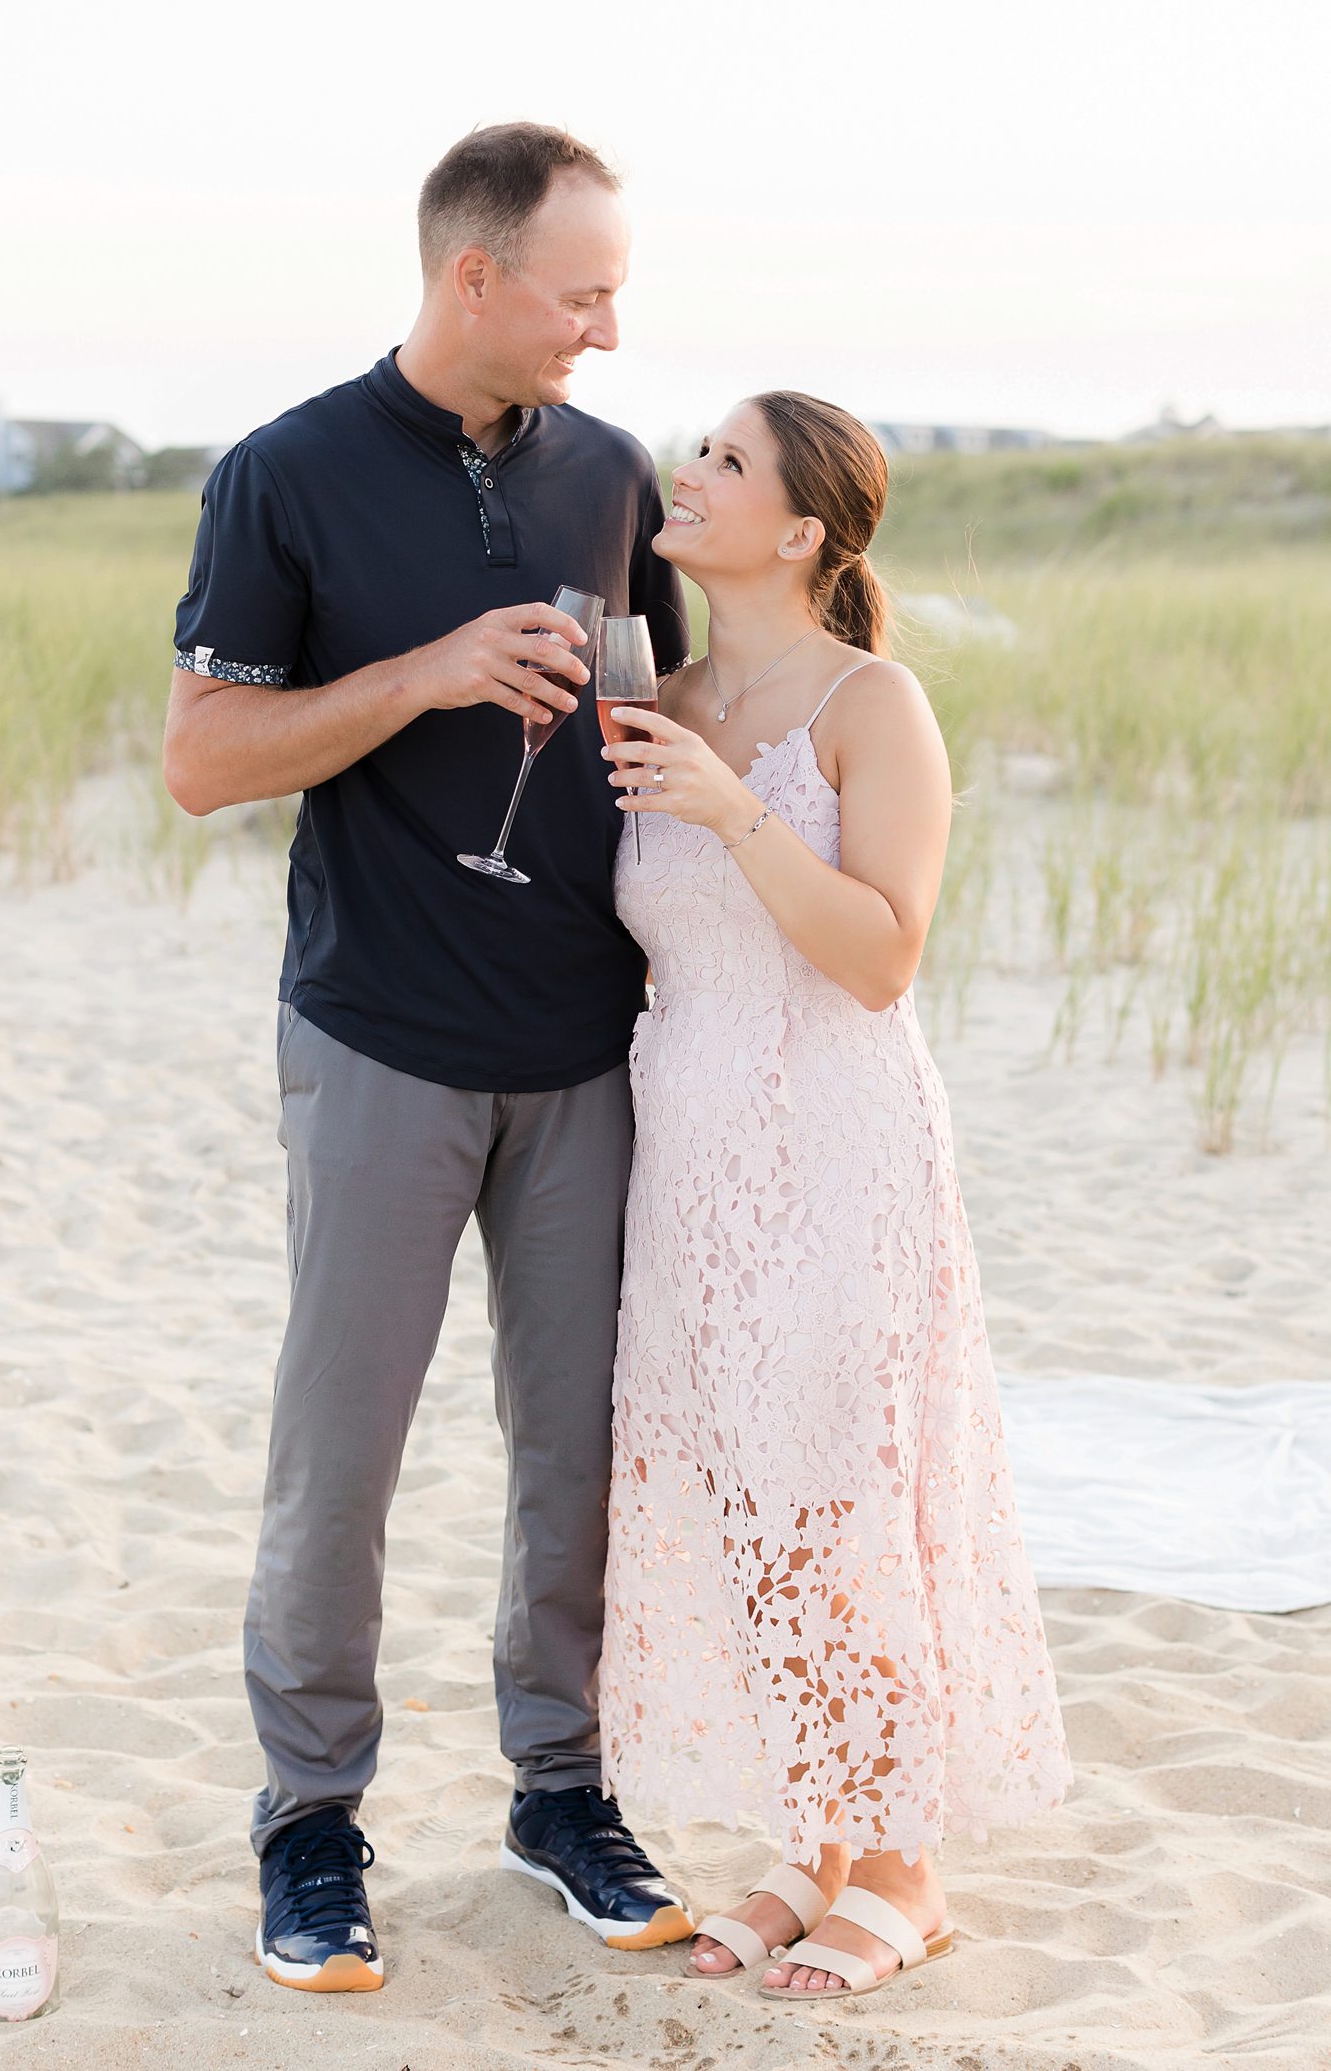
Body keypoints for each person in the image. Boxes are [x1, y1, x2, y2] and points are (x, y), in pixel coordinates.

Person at [163, 124, 693, 1993]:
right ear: (476, 277)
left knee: (580, 1452)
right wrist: (428, 675)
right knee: (343, 1454)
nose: (610, 329)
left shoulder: (621, 475)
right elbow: (205, 761)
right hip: (382, 1039)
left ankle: (565, 1789)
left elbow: (660, 723)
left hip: (591, 1052)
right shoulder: (285, 475)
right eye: (584, 291)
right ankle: (311, 1822)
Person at [596, 391, 1071, 2002]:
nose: (692, 472)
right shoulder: (652, 691)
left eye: (727, 461)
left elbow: (881, 957)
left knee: (844, 1496)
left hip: (837, 1144)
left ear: (802, 530)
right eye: (699, 451)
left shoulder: (877, 704)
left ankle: (912, 1867)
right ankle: (821, 1836)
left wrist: (734, 812)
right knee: (743, 1498)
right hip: (692, 1150)